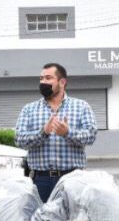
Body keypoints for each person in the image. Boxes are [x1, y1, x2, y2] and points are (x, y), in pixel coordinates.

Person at [14, 63, 97, 202]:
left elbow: (91, 135)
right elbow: (19, 139)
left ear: (62, 82)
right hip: (40, 180)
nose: (43, 82)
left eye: (48, 78)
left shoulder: (81, 106)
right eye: (41, 78)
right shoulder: (29, 109)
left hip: (72, 179)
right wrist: (43, 133)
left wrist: (67, 133)